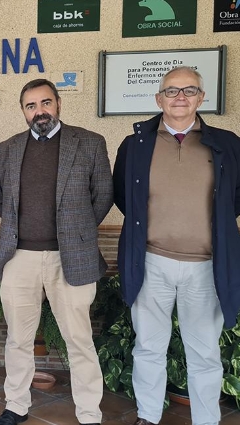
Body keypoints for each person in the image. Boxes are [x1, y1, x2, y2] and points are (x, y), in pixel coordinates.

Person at [113, 66, 240, 425]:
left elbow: (235, 198)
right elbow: (125, 197)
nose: (180, 97)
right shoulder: (136, 144)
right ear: (159, 99)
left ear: (202, 97)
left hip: (206, 266)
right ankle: (148, 416)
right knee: (148, 347)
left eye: (189, 90)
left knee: (204, 352)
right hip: (150, 262)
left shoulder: (228, 144)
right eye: (171, 91)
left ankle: (206, 420)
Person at [0, 79, 112, 425]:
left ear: (58, 104)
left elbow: (102, 196)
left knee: (79, 340)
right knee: (18, 339)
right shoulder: (6, 149)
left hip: (71, 256)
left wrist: (77, 233)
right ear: (23, 111)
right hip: (20, 257)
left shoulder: (88, 143)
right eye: (31, 106)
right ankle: (16, 405)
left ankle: (89, 413)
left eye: (45, 103)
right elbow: (1, 200)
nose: (39, 111)